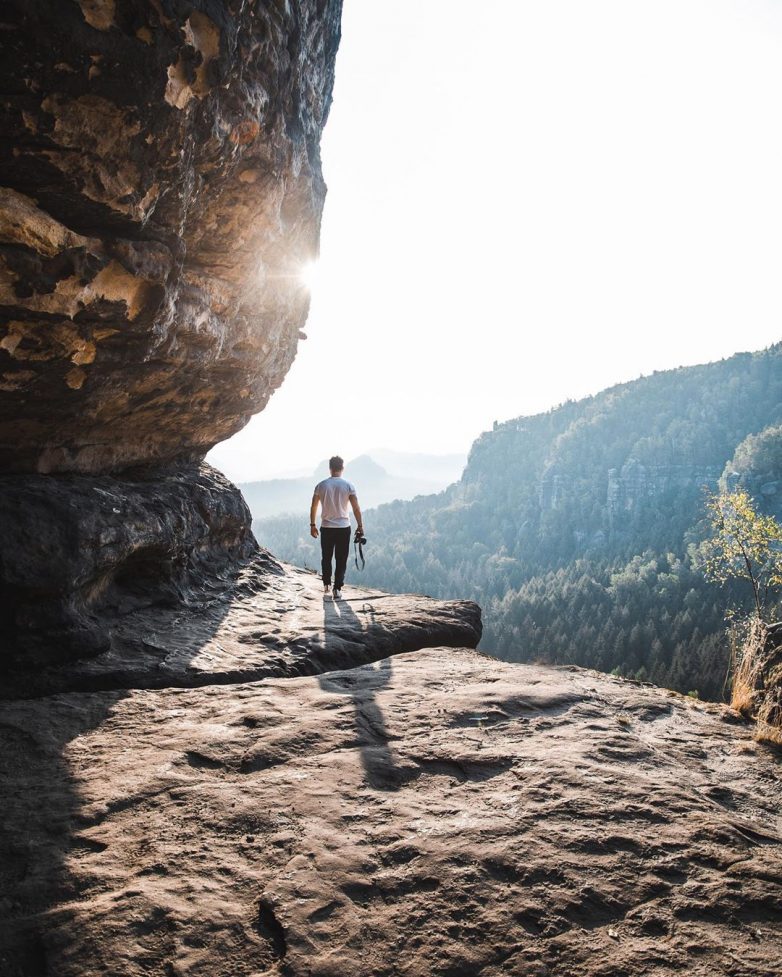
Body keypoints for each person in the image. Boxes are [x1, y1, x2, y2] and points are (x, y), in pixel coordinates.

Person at [310, 455, 364, 599]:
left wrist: (312, 525)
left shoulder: (321, 485)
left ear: (330, 468)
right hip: (343, 528)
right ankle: (337, 588)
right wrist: (360, 525)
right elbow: (356, 508)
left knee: (326, 557)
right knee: (341, 558)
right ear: (342, 468)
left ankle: (326, 584)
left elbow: (314, 506)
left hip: (326, 527)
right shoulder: (348, 486)